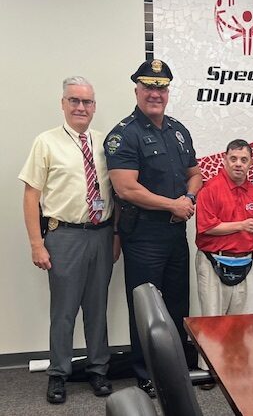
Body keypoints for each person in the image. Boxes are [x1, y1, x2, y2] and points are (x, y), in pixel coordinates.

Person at [104, 59, 202, 397]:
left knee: (177, 303)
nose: (155, 93)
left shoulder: (178, 130)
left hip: (176, 233)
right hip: (143, 235)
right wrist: (171, 204)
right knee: (146, 307)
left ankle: (176, 369)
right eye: (148, 86)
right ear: (137, 90)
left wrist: (188, 198)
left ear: (168, 92)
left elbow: (195, 173)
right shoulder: (123, 135)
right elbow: (126, 189)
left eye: (160, 87)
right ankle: (146, 373)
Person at [19, 76, 117, 404]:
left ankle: (98, 370)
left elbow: (116, 192)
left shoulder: (106, 144)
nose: (80, 107)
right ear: (62, 104)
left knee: (97, 308)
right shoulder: (45, 142)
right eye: (73, 100)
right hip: (64, 236)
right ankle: (58, 374)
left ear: (94, 106)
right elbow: (31, 195)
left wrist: (115, 236)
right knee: (63, 311)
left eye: (87, 102)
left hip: (101, 235)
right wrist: (36, 242)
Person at [195, 139, 253, 385]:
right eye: (234, 159)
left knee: (243, 321)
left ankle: (237, 367)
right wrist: (241, 225)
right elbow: (207, 227)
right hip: (213, 261)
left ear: (250, 163)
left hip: (246, 262)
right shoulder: (210, 189)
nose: (238, 164)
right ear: (225, 159)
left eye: (244, 160)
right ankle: (208, 372)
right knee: (212, 319)